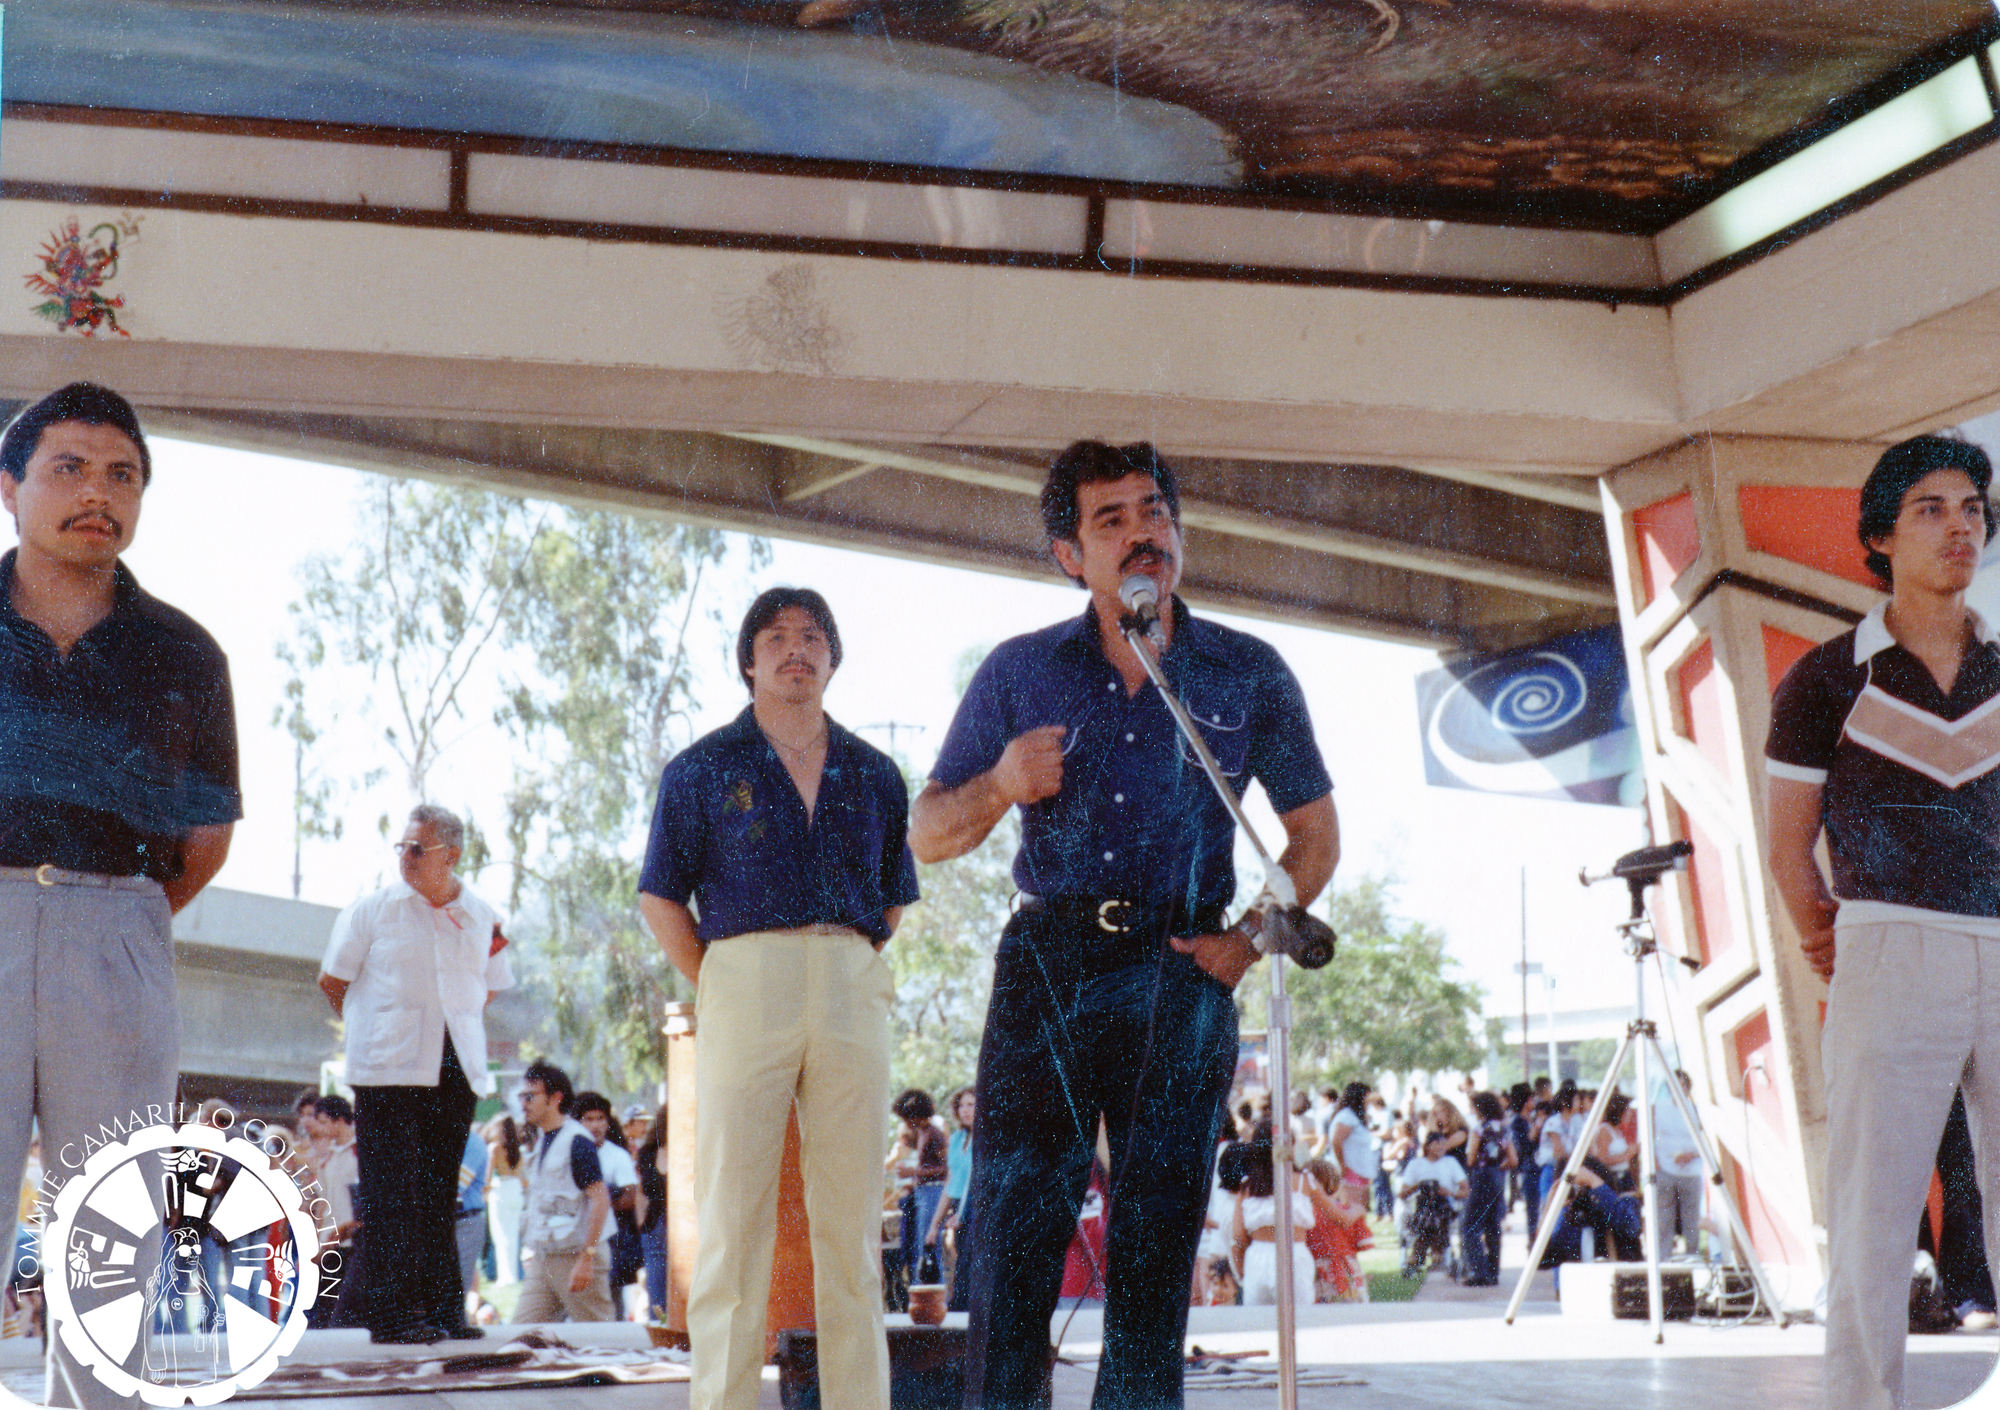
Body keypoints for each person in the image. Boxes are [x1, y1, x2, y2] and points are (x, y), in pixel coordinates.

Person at [911, 440, 1338, 1410]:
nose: (1142, 534)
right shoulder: (1020, 671)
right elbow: (928, 830)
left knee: (1152, 1249)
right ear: (1068, 556)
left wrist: (1247, 940)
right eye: (1110, 520)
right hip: (1048, 972)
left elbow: (1312, 836)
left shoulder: (1244, 671)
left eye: (1154, 512)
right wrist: (999, 784)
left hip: (1184, 967)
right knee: (1014, 1241)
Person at [0, 383, 240, 1409]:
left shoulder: (184, 655)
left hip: (119, 935)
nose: (98, 493)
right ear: (9, 487)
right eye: (69, 468)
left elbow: (206, 838)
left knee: (114, 1239)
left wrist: (111, 924)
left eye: (123, 475)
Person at [1764, 434, 2000, 1410]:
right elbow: (1787, 844)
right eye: (1929, 509)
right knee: (1870, 1212)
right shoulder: (1824, 679)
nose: (1959, 526)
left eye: (1972, 508)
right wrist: (1832, 939)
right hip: (1882, 943)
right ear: (1876, 537)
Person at [638, 585, 917, 1410]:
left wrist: (846, 966)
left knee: (852, 1231)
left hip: (848, 981)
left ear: (832, 657)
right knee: (730, 1227)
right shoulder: (700, 769)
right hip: (741, 982)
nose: (796, 649)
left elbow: (893, 895)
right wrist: (721, 980)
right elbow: (660, 896)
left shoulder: (874, 772)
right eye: (776, 637)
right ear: (748, 660)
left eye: (812, 636)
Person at [318, 802, 513, 1344]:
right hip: (386, 1071)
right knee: (391, 1196)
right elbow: (332, 983)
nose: (404, 856)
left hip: (455, 1069)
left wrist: (451, 1018)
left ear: (449, 856)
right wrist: (376, 1028)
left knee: (437, 1194)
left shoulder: (483, 916)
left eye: (417, 848)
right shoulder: (371, 911)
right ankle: (393, 1316)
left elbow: (491, 984)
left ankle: (444, 1312)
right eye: (401, 846)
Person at [514, 1060, 614, 1323]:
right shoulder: (541, 1142)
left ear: (555, 1098)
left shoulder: (577, 1141)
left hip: (576, 1256)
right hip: (545, 1257)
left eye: (531, 1096)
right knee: (521, 1334)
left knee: (600, 1341)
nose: (524, 1103)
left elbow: (600, 1200)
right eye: (522, 1096)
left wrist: (587, 1258)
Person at [1229, 1123, 1314, 1307]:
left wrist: (1242, 1265)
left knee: (1257, 1322)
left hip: (1258, 1255)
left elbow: (1238, 1235)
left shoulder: (1248, 1186)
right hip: (1295, 1253)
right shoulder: (1304, 1181)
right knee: (1300, 1318)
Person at [574, 1092, 643, 1318]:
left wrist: (600, 1204)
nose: (595, 1125)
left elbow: (630, 1196)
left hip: (610, 1240)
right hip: (573, 1238)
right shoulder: (571, 1152)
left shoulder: (617, 1155)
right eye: (588, 1118)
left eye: (600, 1118)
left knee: (609, 1301)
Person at [892, 1089, 948, 1286]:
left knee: (929, 1246)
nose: (906, 1123)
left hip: (934, 1192)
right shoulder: (921, 1133)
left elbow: (945, 1168)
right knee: (917, 1247)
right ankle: (920, 1295)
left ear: (917, 1115)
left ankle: (932, 1294)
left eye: (908, 1118)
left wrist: (913, 1172)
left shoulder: (935, 1134)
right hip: (922, 1192)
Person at [927, 1087, 976, 1311]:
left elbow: (973, 1181)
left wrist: (963, 1213)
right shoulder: (957, 1139)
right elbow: (951, 1183)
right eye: (961, 1105)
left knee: (970, 1264)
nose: (965, 1110)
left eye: (971, 1105)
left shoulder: (986, 1140)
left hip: (976, 1206)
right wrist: (934, 1225)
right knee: (960, 1262)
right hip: (959, 1207)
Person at [1462, 1090, 1516, 1286]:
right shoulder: (1504, 1130)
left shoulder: (1478, 1129)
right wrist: (1498, 1165)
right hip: (1497, 1177)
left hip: (1482, 1177)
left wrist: (1480, 1164)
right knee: (1493, 1226)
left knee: (1470, 1226)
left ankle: (1478, 1271)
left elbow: (1470, 1157)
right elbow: (1513, 1159)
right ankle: (1493, 1272)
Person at [1651, 1070, 1703, 1260]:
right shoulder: (1658, 1108)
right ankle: (1662, 1261)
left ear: (1687, 1088)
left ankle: (1693, 1258)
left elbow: (1706, 1140)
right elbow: (1650, 1137)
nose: (1677, 1089)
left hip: (1691, 1170)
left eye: (1681, 1085)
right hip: (1665, 1170)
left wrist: (1691, 1154)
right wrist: (1656, 1163)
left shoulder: (1696, 1109)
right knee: (1664, 1220)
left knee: (1692, 1221)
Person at [633, 1105, 670, 1319]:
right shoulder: (648, 1153)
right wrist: (642, 1224)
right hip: (656, 1227)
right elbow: (641, 1190)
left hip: (682, 1229)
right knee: (657, 1300)